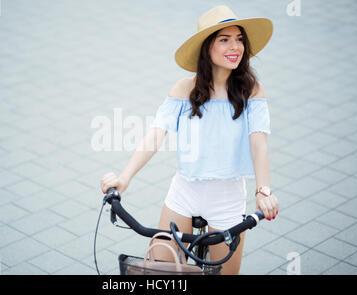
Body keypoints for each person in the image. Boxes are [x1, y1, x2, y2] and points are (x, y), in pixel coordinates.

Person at [100, 5, 279, 275]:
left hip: (227, 199)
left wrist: (263, 191)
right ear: (207, 47)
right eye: (224, 39)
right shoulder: (184, 89)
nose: (236, 47)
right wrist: (123, 180)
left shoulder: (251, 91)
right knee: (158, 273)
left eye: (239, 39)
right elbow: (155, 135)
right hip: (184, 193)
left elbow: (258, 144)